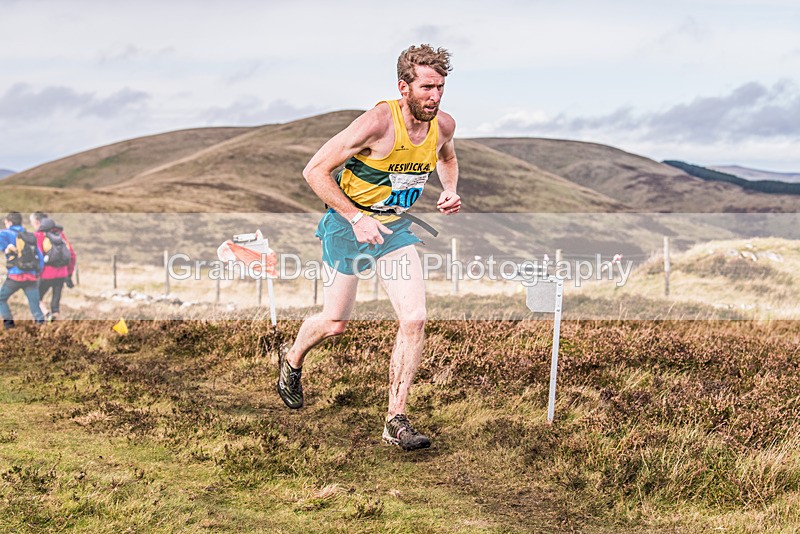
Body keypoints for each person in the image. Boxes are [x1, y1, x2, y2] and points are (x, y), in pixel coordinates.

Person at [277, 44, 461, 451]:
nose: (435, 96)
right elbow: (314, 171)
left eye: (440, 87)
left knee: (414, 318)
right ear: (403, 87)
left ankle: (395, 419)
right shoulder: (378, 123)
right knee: (334, 323)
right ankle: (292, 358)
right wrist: (356, 218)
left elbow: (447, 158)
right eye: (426, 87)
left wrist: (449, 189)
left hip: (393, 230)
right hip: (347, 228)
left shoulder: (443, 126)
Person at [0, 212, 45, 328]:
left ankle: (9, 326)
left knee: (1, 298)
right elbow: (40, 257)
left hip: (15, 276)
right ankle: (43, 328)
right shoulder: (30, 236)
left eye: (6, 223)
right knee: (35, 305)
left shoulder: (5, 233)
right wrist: (37, 272)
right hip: (31, 276)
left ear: (10, 222)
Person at [34, 217, 76, 321]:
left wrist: (36, 273)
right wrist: (69, 274)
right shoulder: (61, 236)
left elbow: (38, 256)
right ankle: (56, 325)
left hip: (46, 274)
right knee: (55, 303)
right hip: (62, 273)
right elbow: (72, 255)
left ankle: (47, 315)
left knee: (36, 298)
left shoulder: (40, 236)